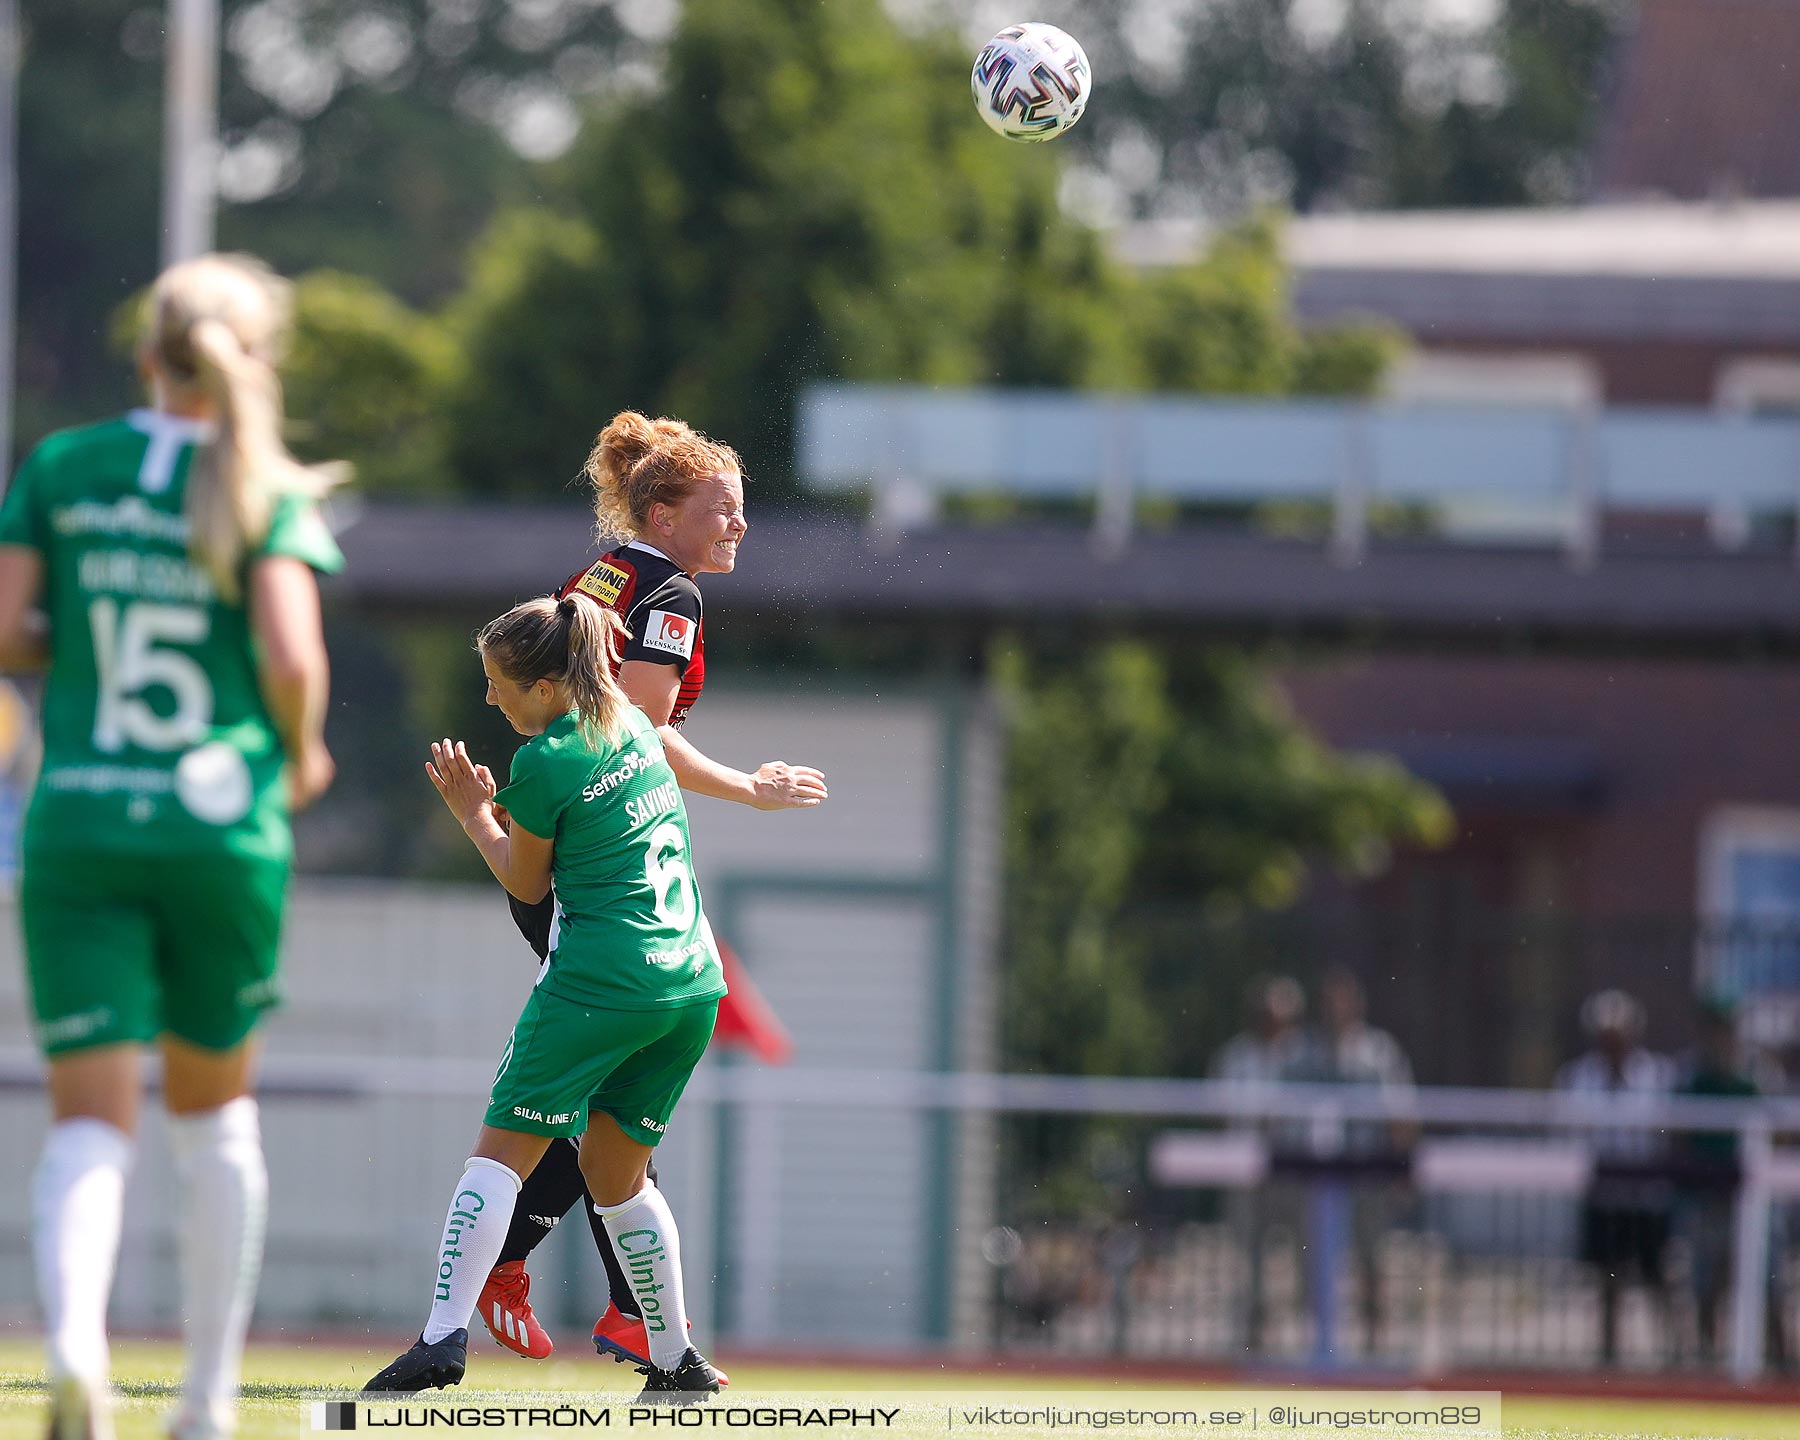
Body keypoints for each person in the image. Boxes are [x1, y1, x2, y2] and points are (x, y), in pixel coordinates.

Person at [0, 254, 342, 1440]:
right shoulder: (263, 484)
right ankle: (202, 1405)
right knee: (216, 1122)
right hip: (220, 823)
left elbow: (4, 626)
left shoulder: (64, 466)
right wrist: (300, 756)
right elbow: (294, 664)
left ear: (146, 349)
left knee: (91, 1121)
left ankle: (79, 1346)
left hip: (82, 816)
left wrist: (84, 644)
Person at [478, 412, 826, 1372]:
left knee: (604, 1082)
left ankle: (618, 1304)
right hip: (600, 868)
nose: (739, 527)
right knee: (600, 1083)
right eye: (723, 509)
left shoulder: (605, 575)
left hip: (579, 853)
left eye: (743, 511)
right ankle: (520, 1267)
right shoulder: (669, 589)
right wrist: (749, 787)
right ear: (662, 511)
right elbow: (635, 729)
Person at [364, 593, 727, 1402]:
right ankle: (677, 1366)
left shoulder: (549, 757)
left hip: (601, 983)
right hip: (690, 985)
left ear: (543, 684)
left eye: (497, 683)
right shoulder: (633, 723)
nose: (490, 698)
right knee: (616, 1173)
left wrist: (472, 814)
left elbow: (525, 880)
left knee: (498, 1158)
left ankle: (438, 1342)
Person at [1281, 968, 1417, 1355]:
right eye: (1329, 1002)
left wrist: (1402, 1169)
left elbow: (1401, 1114)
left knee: (1372, 1257)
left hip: (1367, 1173)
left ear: (1357, 1005)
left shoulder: (1379, 1051)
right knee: (1313, 1260)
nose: (1336, 1010)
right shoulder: (1301, 1053)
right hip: (1316, 1178)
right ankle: (1317, 1341)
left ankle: (1373, 1335)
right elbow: (1283, 1112)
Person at [1556, 988, 1676, 1366]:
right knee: (1608, 1283)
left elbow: (1665, 1134)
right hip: (1603, 1198)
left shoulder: (1656, 1076)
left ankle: (1675, 1356)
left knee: (1658, 1280)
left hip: (1645, 1199)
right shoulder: (1578, 1078)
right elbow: (1570, 1135)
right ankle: (1608, 1359)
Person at [1672, 991, 1789, 1368]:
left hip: (1752, 1198)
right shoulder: (1689, 1073)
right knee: (1706, 1285)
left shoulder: (1758, 1073)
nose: (1721, 1035)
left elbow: (1781, 1130)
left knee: (1768, 1282)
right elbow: (1675, 1133)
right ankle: (1707, 1360)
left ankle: (1781, 1362)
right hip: (1706, 1196)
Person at [1210, 974, 1306, 1353]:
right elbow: (1221, 1112)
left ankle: (1302, 1336)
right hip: (1248, 1173)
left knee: (1302, 1255)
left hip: (1296, 1173)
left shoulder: (1305, 1056)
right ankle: (1251, 1332)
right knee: (1247, 1257)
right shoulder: (1236, 1056)